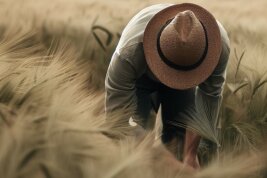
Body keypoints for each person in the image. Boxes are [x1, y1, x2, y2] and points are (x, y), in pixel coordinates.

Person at [104, 3, 230, 169]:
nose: (174, 79)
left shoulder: (218, 48)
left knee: (178, 142)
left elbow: (208, 103)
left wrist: (190, 155)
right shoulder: (129, 54)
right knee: (128, 151)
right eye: (171, 73)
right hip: (140, 79)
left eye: (183, 75)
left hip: (186, 79)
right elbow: (118, 122)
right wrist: (166, 161)